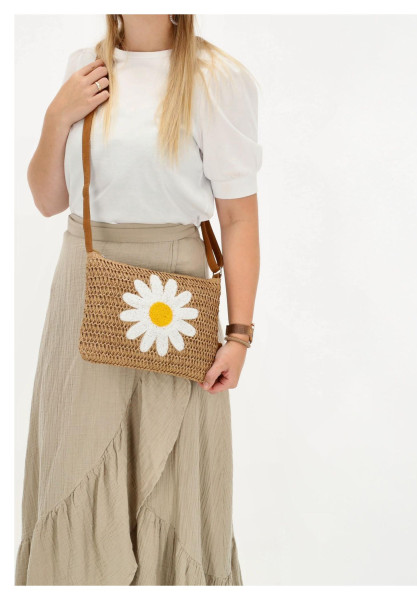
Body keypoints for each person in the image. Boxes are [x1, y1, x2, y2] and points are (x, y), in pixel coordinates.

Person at [15, 14, 262, 586]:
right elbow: (48, 201)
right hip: (85, 280)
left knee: (170, 472)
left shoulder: (216, 77)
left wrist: (239, 334)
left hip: (172, 292)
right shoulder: (85, 66)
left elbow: (239, 219)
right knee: (76, 456)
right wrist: (56, 116)